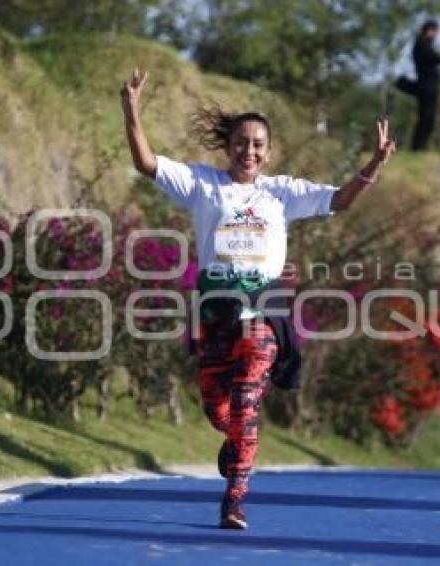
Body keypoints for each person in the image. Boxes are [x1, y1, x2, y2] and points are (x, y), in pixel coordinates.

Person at [120, 68, 396, 528]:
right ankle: (233, 439)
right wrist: (131, 108)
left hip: (264, 311)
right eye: (242, 142)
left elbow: (340, 200)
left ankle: (234, 498)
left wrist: (373, 166)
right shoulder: (202, 183)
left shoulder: (282, 193)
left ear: (268, 153)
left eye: (258, 145)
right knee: (217, 408)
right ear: (229, 146)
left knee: (248, 397)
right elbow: (146, 162)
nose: (249, 151)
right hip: (216, 310)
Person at [395, 19, 440, 151]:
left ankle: (419, 148)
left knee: (428, 120)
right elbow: (435, 58)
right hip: (426, 86)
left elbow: (436, 58)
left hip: (429, 86)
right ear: (429, 31)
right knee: (426, 119)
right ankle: (417, 148)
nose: (436, 36)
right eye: (435, 32)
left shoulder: (424, 44)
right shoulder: (421, 44)